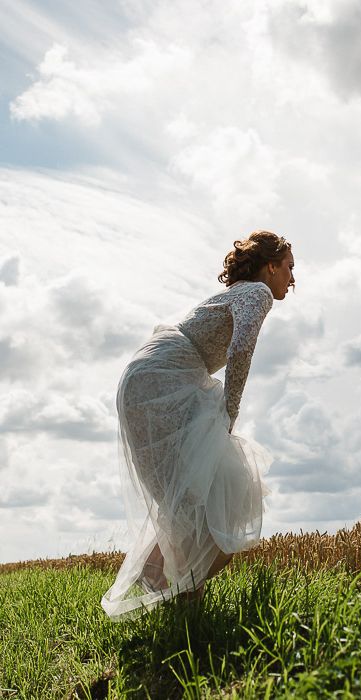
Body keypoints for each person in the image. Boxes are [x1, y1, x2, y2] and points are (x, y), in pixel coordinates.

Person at [101, 231, 295, 620]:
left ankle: (175, 597)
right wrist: (230, 410)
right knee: (225, 497)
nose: (292, 280)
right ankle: (175, 594)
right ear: (270, 266)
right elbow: (240, 347)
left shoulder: (239, 290)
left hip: (153, 376)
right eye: (289, 268)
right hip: (164, 379)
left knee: (190, 498)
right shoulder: (256, 293)